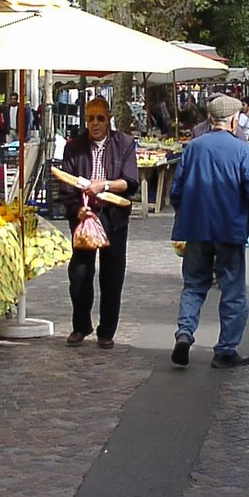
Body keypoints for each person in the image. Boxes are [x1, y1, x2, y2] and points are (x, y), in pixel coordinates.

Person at [169, 95, 249, 369]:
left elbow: (175, 190)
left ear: (211, 120)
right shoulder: (242, 149)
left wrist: (185, 215)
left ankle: (185, 333)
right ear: (235, 120)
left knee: (194, 285)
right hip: (229, 228)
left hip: (196, 229)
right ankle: (225, 349)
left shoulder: (193, 148)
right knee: (232, 289)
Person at [59, 96, 139, 349]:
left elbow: (129, 181)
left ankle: (107, 331)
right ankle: (81, 325)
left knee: (112, 276)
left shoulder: (124, 143)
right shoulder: (74, 147)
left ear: (108, 119)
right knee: (80, 275)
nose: (95, 123)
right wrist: (77, 208)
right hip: (85, 218)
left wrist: (103, 185)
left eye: (100, 118)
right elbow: (65, 185)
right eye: (90, 118)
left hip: (113, 217)